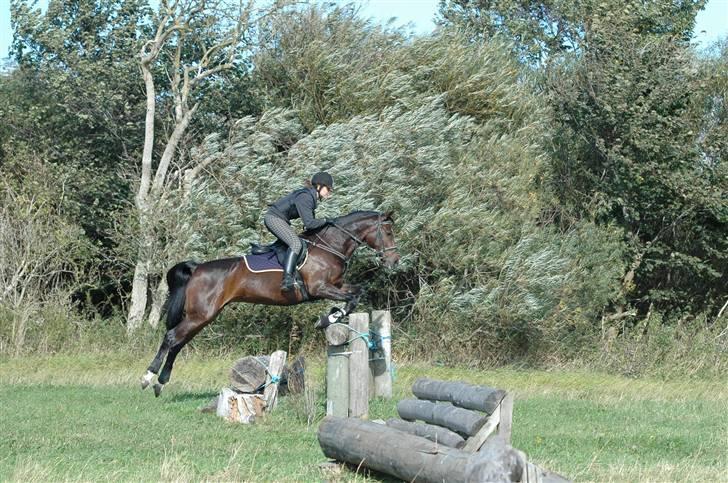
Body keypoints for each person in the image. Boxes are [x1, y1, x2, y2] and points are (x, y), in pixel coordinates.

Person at [265, 172, 334, 291]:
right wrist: (326, 220)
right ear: (319, 186)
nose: (329, 192)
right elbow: (310, 223)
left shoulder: (311, 197)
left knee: (298, 242)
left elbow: (310, 228)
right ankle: (287, 280)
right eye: (328, 188)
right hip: (273, 218)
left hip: (280, 219)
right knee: (296, 244)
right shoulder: (306, 197)